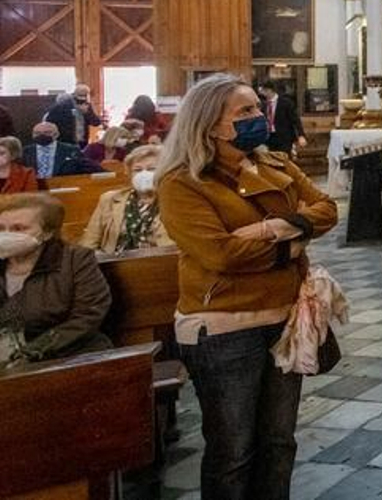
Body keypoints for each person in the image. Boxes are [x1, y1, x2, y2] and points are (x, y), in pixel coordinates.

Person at [157, 73, 338, 500]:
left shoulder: (274, 162)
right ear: (212, 125)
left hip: (285, 320)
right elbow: (220, 255)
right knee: (233, 450)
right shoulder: (183, 182)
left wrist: (278, 227)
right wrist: (291, 249)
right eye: (246, 111)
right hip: (223, 328)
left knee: (279, 441)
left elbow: (327, 208)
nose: (259, 116)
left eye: (258, 107)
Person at [0, 193, 113, 363]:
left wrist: (31, 352)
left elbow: (88, 315)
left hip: (64, 356)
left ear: (47, 233)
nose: (6, 235)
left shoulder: (75, 260)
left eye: (19, 228)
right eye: (1, 228)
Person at [78, 145, 170, 254]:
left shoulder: (175, 201)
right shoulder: (109, 199)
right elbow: (89, 242)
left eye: (151, 169)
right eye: (137, 170)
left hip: (162, 264)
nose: (144, 174)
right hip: (114, 263)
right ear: (130, 174)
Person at [22, 122, 100, 182]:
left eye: (47, 133)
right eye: (37, 133)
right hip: (33, 189)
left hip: (62, 187)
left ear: (56, 134)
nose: (41, 135)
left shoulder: (71, 150)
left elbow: (89, 168)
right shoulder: (25, 152)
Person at [256, 82, 306, 155]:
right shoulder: (263, 104)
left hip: (284, 138)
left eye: (263, 90)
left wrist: (301, 135)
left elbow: (295, 120)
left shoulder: (286, 103)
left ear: (269, 90)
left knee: (284, 159)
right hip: (268, 138)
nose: (261, 93)